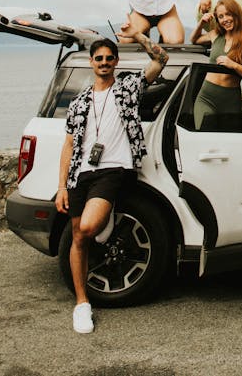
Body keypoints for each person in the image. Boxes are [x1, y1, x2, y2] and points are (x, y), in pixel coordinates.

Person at [54, 23, 168, 334]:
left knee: (90, 228)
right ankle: (82, 304)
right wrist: (62, 186)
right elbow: (68, 146)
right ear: (91, 63)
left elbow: (161, 59)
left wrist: (139, 36)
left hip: (114, 168)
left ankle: (109, 221)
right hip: (82, 173)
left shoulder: (128, 88)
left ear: (116, 61)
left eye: (109, 58)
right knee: (78, 239)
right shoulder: (78, 103)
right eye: (98, 58)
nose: (104, 62)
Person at [190, 0, 242, 128]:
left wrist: (233, 65)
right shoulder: (216, 34)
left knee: (226, 144)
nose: (225, 20)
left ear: (236, 14)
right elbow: (194, 40)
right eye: (221, 17)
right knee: (204, 138)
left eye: (228, 14)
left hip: (231, 100)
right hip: (206, 97)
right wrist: (201, 23)